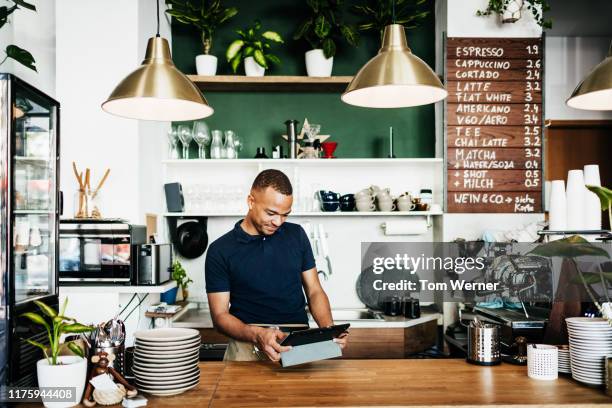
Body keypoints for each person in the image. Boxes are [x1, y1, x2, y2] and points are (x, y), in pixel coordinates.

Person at [205, 169, 348, 361]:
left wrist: (328, 330)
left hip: (297, 342)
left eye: (285, 215)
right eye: (271, 213)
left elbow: (314, 290)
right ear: (251, 202)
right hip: (246, 344)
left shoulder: (297, 235)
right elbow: (220, 317)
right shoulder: (220, 250)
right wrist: (257, 335)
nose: (278, 222)